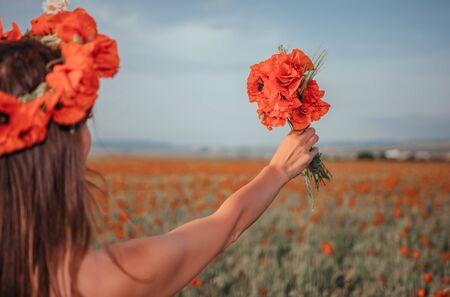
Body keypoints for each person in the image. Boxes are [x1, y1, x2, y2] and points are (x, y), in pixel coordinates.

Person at [0, 12, 319, 297]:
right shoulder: (100, 280)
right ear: (62, 142)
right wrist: (278, 171)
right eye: (82, 116)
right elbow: (226, 226)